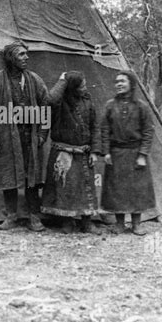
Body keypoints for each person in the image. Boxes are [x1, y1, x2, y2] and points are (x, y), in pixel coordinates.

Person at [0, 41, 50, 232]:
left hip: (30, 136)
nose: (26, 57)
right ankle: (11, 216)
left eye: (26, 54)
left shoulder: (34, 79)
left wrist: (43, 134)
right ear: (11, 58)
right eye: (21, 54)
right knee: (7, 175)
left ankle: (34, 217)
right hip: (6, 137)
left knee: (32, 177)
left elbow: (45, 105)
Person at [41, 71, 101, 234]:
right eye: (81, 86)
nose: (84, 88)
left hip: (83, 152)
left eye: (85, 85)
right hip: (63, 152)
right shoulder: (60, 102)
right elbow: (50, 100)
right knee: (64, 188)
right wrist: (62, 79)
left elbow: (94, 126)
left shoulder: (87, 100)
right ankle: (67, 222)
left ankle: (86, 223)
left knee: (85, 188)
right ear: (72, 87)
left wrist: (95, 151)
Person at [100, 70, 156, 235]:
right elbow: (104, 130)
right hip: (116, 153)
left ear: (131, 84)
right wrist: (106, 152)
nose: (119, 84)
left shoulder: (141, 107)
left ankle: (136, 224)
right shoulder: (109, 106)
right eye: (117, 82)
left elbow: (148, 131)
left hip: (135, 153)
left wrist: (142, 155)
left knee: (137, 189)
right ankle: (119, 224)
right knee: (117, 189)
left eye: (123, 81)